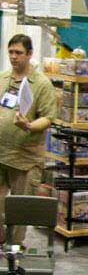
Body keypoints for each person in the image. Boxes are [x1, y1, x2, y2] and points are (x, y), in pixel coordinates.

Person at [0, 34, 57, 245]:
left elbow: (48, 117)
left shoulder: (41, 84)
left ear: (30, 54)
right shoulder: (3, 78)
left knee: (19, 209)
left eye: (19, 53)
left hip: (24, 157)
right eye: (11, 52)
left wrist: (29, 126)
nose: (14, 57)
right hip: (1, 153)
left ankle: (14, 248)